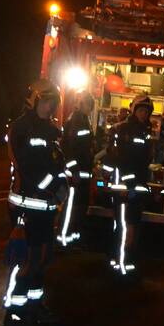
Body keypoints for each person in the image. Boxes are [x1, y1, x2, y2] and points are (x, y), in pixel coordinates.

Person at [3, 79, 65, 326]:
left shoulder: (49, 129)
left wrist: (62, 185)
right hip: (27, 203)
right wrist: (54, 186)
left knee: (43, 258)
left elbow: (55, 163)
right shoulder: (21, 129)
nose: (50, 107)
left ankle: (34, 305)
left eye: (53, 103)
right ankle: (17, 311)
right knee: (28, 259)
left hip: (45, 205)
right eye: (47, 101)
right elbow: (29, 168)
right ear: (35, 99)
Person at [102, 94, 154, 275]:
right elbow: (117, 159)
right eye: (141, 110)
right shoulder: (124, 130)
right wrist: (124, 182)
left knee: (129, 226)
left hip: (135, 187)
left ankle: (122, 260)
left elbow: (142, 161)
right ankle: (121, 265)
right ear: (134, 110)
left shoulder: (144, 132)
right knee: (127, 226)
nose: (144, 114)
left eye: (146, 111)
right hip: (124, 188)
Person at [58, 90, 96, 247]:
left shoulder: (83, 120)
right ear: (82, 104)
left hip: (82, 173)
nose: (90, 108)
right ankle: (63, 239)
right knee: (71, 208)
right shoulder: (77, 120)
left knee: (78, 208)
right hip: (76, 174)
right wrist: (74, 171)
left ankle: (71, 238)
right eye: (89, 105)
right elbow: (71, 148)